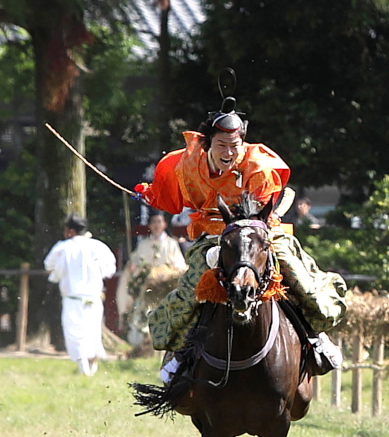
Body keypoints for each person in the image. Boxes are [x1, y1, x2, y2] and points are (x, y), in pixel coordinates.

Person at [133, 96, 346, 374]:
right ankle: (182, 351)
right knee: (192, 285)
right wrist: (147, 194)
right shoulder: (186, 163)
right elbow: (165, 190)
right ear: (207, 143)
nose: (229, 152)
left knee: (295, 272)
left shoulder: (257, 165)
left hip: (259, 231)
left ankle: (317, 335)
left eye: (235, 146)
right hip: (212, 234)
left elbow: (259, 215)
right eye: (222, 145)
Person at [44, 214, 117, 377]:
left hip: (73, 298)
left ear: (70, 231)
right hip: (94, 297)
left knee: (75, 333)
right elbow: (110, 269)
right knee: (92, 331)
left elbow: (48, 266)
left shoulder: (62, 247)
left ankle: (85, 368)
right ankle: (90, 368)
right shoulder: (98, 246)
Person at [116, 212, 188, 350]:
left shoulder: (171, 244)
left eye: (159, 222)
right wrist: (134, 266)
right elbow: (136, 261)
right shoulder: (143, 244)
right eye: (154, 222)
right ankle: (143, 344)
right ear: (149, 225)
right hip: (146, 290)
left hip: (165, 288)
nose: (156, 225)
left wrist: (165, 273)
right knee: (142, 313)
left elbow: (180, 265)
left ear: (164, 224)